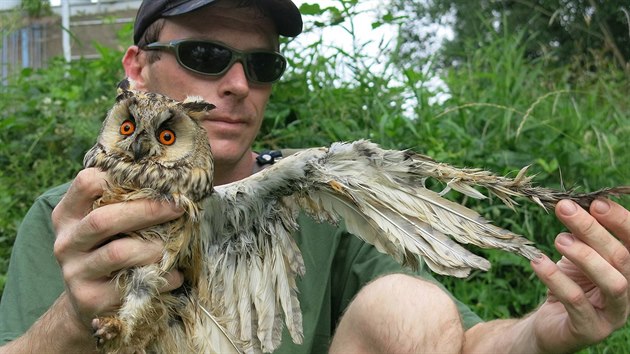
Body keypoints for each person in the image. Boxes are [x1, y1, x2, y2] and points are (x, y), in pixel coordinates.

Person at [1, 0, 628, 352]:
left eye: (262, 63)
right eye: (204, 55)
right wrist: (72, 322)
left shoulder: (311, 204)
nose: (239, 84)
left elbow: (452, 341)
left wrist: (545, 332)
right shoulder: (73, 217)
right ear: (137, 67)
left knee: (408, 304)